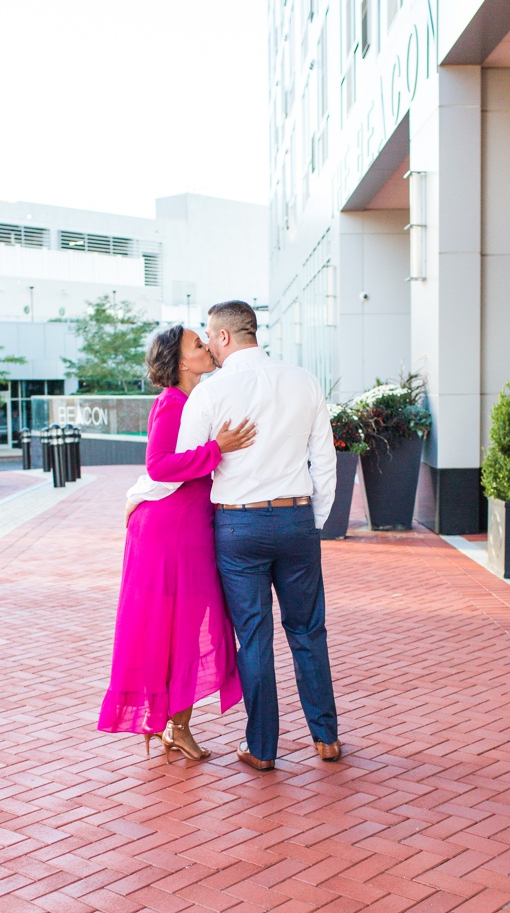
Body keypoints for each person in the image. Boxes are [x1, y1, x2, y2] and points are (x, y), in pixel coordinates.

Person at [177, 299, 340, 771]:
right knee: (308, 630)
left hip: (238, 525)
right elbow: (323, 462)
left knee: (254, 637)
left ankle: (263, 748)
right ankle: (325, 737)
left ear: (225, 337)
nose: (207, 343)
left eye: (209, 335)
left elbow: (187, 463)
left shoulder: (210, 393)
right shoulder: (303, 381)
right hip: (295, 520)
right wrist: (314, 520)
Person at [98, 326, 250, 760]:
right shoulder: (172, 403)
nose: (206, 348)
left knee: (186, 625)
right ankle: (171, 724)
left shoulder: (194, 399)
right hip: (168, 534)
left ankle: (173, 723)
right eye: (198, 345)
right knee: (172, 627)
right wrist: (216, 450)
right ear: (182, 362)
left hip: (187, 529)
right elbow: (160, 465)